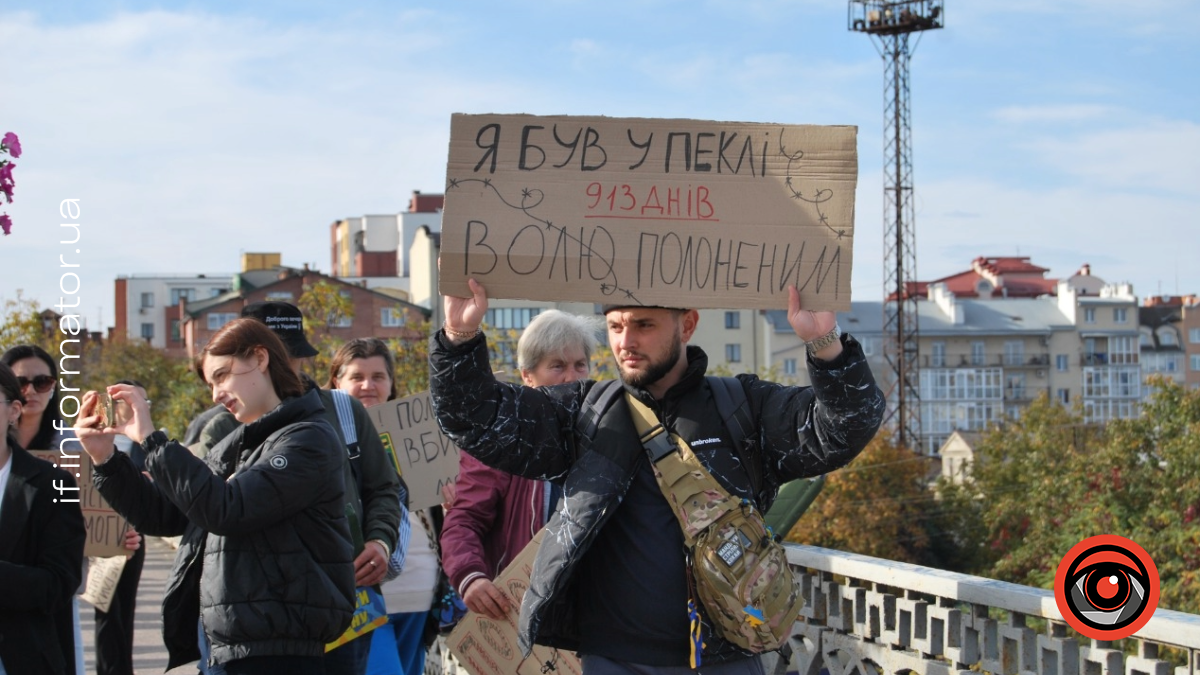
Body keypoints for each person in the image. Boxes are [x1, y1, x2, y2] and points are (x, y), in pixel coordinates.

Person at [430, 279, 886, 675]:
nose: (625, 341)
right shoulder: (582, 414)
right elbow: (477, 420)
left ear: (686, 325)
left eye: (643, 325)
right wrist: (460, 335)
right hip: (614, 660)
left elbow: (844, 428)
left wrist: (824, 342)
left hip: (729, 655)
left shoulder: (741, 407)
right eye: (615, 326)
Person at [73, 318, 355, 674]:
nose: (215, 395)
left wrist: (151, 439)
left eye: (221, 375)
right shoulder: (239, 443)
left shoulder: (308, 439)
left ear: (259, 358)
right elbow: (163, 514)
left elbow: (227, 509)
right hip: (229, 644)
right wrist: (105, 457)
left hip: (279, 647)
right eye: (210, 383)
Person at [194, 303, 403, 675]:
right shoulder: (222, 427)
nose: (281, 367)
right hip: (257, 620)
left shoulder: (342, 410)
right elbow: (204, 512)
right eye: (272, 357)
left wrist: (380, 540)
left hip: (343, 602)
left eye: (290, 356)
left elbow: (384, 488)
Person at [440, 309, 599, 620]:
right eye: (557, 366)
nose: (572, 377)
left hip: (595, 612)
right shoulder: (498, 442)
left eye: (580, 365)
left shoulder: (608, 436)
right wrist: (470, 577)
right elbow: (465, 520)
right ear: (527, 376)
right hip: (519, 610)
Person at [328, 338, 441, 675]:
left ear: (391, 383)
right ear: (336, 382)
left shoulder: (420, 431)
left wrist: (451, 503)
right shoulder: (318, 434)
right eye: (357, 376)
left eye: (378, 376)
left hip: (420, 594)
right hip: (361, 596)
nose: (368, 386)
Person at [2, 345, 85, 675]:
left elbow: (59, 583)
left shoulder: (54, 484)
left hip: (22, 655)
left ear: (13, 410)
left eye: (43, 381)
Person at [93, 379, 151, 675]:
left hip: (132, 538)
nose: (138, 408)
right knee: (105, 613)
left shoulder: (149, 442)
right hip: (100, 539)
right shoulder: (96, 441)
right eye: (130, 401)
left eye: (144, 403)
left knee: (124, 610)